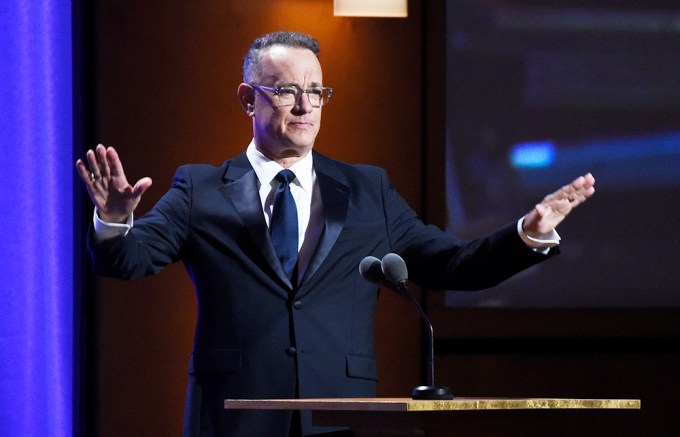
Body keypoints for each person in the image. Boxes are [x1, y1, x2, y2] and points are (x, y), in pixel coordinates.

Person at [76, 31, 595, 437]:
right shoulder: (201, 188)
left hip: (343, 421)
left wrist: (526, 234)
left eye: (315, 92)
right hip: (235, 419)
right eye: (285, 91)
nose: (304, 106)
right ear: (246, 98)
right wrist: (116, 221)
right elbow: (127, 260)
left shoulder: (367, 189)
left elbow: (452, 264)